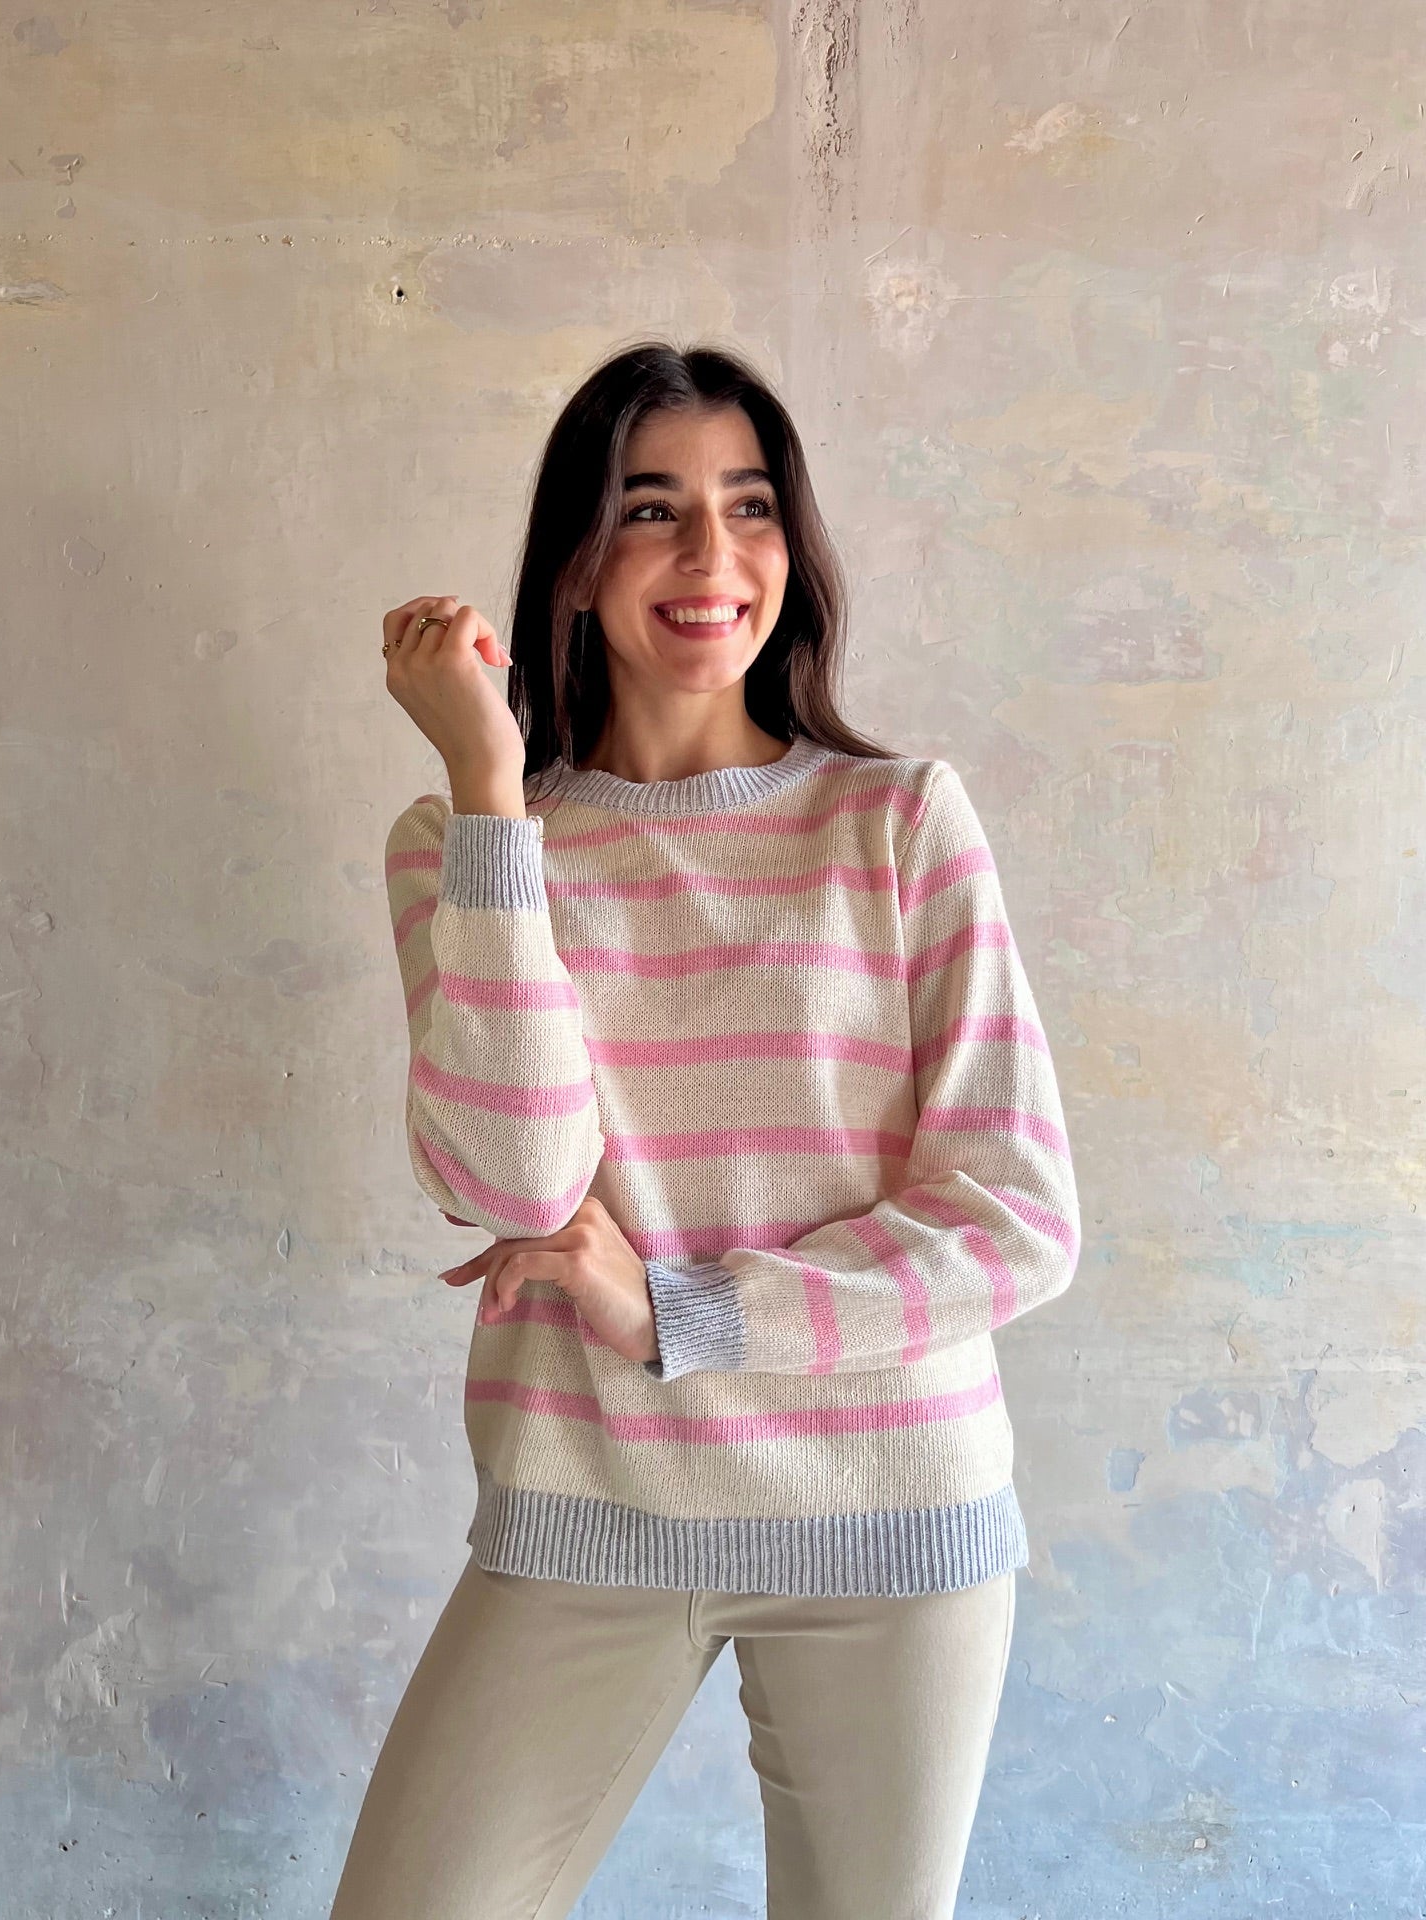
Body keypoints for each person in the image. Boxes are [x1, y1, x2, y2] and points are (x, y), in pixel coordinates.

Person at [330, 340, 1081, 1920]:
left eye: (748, 506)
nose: (710, 556)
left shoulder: (898, 821)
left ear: (792, 548)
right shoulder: (465, 838)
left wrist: (686, 1310)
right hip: (589, 1502)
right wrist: (488, 784)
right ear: (578, 556)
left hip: (888, 1515)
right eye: (651, 508)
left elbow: (1015, 1218)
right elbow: (511, 1176)